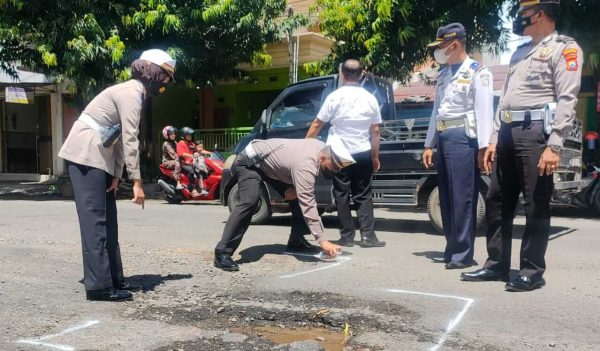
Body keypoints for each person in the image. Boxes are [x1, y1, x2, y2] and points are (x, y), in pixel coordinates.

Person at [462, 0, 583, 292]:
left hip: (535, 133)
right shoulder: (519, 52)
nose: (519, 20)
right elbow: (502, 101)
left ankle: (531, 269)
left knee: (534, 202)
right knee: (496, 198)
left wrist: (555, 145)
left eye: (523, 14)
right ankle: (497, 264)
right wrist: (492, 139)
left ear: (539, 14)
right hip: (506, 131)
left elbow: (568, 99)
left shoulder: (564, 49)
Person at [58, 49, 176, 302]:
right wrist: (136, 181)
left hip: (100, 157)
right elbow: (130, 138)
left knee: (108, 220)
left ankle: (114, 279)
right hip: (85, 155)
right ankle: (99, 287)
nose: (167, 82)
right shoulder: (131, 93)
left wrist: (116, 174)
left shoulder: (136, 94)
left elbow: (120, 138)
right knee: (95, 223)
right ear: (153, 72)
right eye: (166, 76)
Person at [213, 138, 351, 271]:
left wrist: (295, 189)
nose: (335, 171)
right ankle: (222, 252)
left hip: (271, 166)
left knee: (297, 196)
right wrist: (323, 241)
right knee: (249, 201)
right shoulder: (305, 164)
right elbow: (308, 204)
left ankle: (296, 241)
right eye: (333, 167)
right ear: (323, 158)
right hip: (250, 162)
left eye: (338, 169)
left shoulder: (322, 148)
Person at [422, 23, 494, 269]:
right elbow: (436, 111)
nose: (439, 50)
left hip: (464, 137)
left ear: (454, 44)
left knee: (463, 196)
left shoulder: (478, 72)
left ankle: (463, 253)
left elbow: (484, 110)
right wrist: (429, 143)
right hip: (444, 137)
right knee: (447, 196)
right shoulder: (443, 75)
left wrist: (484, 146)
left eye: (442, 45)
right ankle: (452, 246)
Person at [306, 59, 386, 248]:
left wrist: (305, 145)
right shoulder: (370, 97)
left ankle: (347, 237)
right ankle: (368, 236)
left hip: (338, 153)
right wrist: (375, 156)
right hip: (362, 151)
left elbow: (318, 124)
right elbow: (375, 131)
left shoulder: (334, 97)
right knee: (363, 194)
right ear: (360, 75)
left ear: (342, 73)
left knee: (342, 194)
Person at [176, 127, 206, 196]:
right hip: (184, 164)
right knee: (191, 171)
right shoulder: (180, 143)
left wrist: (210, 153)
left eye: (190, 135)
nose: (190, 136)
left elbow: (199, 150)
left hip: (193, 163)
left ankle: (202, 188)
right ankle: (193, 189)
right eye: (188, 135)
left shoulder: (192, 144)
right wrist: (192, 156)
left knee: (205, 169)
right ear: (184, 135)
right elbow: (182, 154)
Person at [161, 125, 184, 190]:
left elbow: (179, 151)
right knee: (177, 163)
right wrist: (181, 159)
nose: (174, 135)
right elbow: (173, 154)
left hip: (175, 160)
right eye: (171, 134)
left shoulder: (175, 142)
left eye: (174, 133)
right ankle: (178, 183)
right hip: (167, 162)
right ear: (167, 135)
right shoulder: (166, 144)